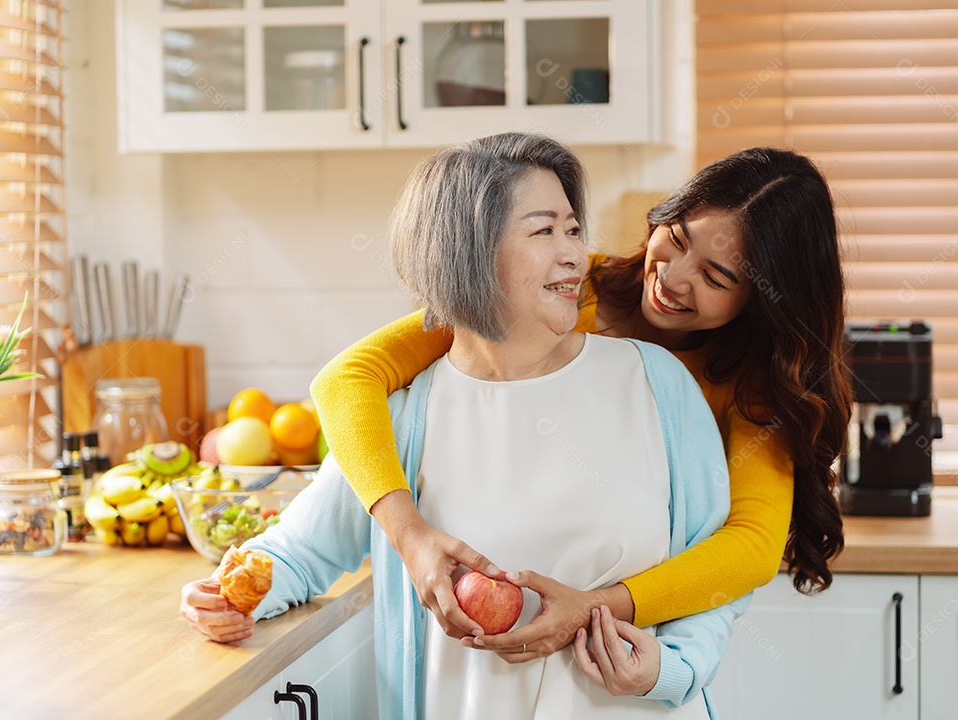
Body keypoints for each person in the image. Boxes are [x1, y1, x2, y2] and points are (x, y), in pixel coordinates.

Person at [180, 132, 748, 719]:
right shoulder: (402, 419)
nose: (575, 256)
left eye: (574, 229)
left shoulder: (657, 383)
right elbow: (299, 552)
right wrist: (225, 596)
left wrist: (670, 668)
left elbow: (712, 574)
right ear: (467, 252)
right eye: (543, 231)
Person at [307, 145, 852, 662]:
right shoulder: (565, 288)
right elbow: (349, 377)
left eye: (714, 276)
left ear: (763, 300)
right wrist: (409, 533)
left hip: (624, 655)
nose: (673, 277)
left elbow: (750, 547)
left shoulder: (750, 385)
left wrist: (598, 608)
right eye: (677, 239)